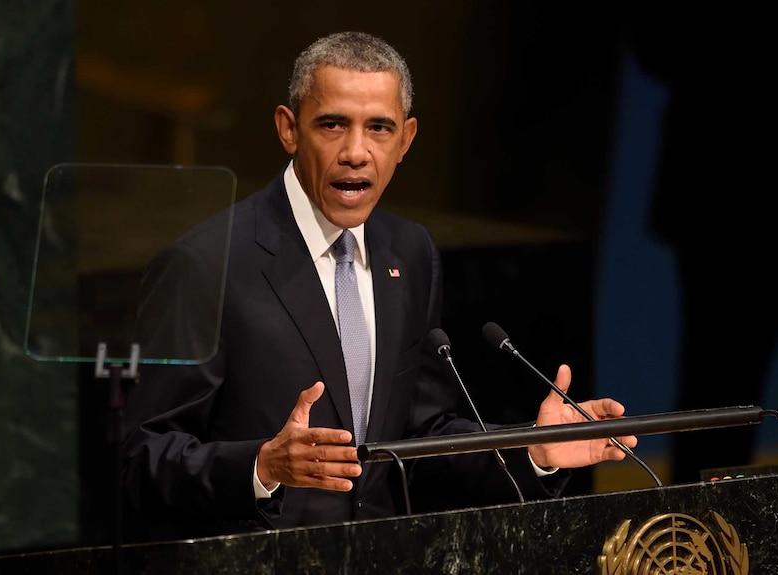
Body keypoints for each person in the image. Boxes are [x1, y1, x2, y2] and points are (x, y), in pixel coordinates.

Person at [120, 30, 637, 540]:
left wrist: (532, 450)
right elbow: (142, 459)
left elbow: (420, 435)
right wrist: (260, 466)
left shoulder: (409, 252)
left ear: (407, 139)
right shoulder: (206, 263)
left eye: (379, 128)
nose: (356, 151)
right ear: (288, 128)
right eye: (332, 124)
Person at [628, 2, 778, 483]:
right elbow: (657, 40)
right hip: (728, 189)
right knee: (720, 390)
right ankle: (699, 541)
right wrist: (775, 54)